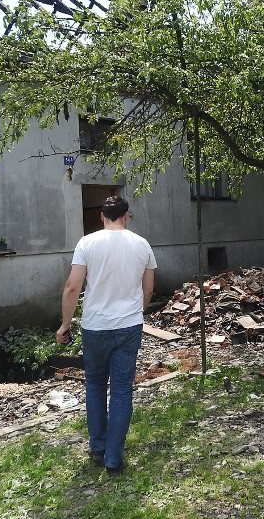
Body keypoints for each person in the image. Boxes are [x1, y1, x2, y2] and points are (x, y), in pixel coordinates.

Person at [56, 195, 157, 475]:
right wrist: (138, 311)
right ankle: (114, 459)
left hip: (95, 328)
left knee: (96, 386)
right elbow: (148, 290)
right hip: (128, 327)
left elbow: (72, 288)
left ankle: (98, 448)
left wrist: (65, 324)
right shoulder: (142, 245)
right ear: (126, 216)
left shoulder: (86, 243)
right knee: (122, 390)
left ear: (102, 216)